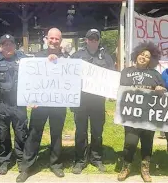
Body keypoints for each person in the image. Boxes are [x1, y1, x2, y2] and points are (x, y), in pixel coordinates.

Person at [16, 28, 68, 183]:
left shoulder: (67, 59)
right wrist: (31, 98)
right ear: (46, 39)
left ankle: (56, 164)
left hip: (59, 103)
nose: (53, 41)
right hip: (39, 104)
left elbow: (70, 81)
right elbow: (30, 80)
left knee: (57, 134)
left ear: (61, 40)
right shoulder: (37, 57)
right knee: (34, 133)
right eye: (51, 38)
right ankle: (26, 167)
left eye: (56, 39)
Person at [118, 41, 166, 182]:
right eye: (142, 54)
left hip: (148, 115)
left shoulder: (155, 74)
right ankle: (126, 166)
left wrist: (159, 90)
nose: (143, 57)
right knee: (130, 142)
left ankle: (145, 169)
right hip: (131, 115)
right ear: (136, 55)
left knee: (147, 142)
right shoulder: (126, 72)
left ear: (151, 60)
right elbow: (121, 91)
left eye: (147, 56)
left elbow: (163, 92)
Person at [70, 29, 115, 174]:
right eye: (91, 38)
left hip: (98, 102)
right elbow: (68, 75)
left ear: (99, 40)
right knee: (80, 132)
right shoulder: (77, 56)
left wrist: (113, 92)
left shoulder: (107, 58)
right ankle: (80, 160)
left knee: (97, 131)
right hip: (81, 101)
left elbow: (111, 77)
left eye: (96, 39)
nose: (93, 41)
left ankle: (96, 158)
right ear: (86, 40)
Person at [0, 34, 28, 175]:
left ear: (15, 45)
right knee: (2, 134)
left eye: (11, 44)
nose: (8, 47)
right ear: (0, 47)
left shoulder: (23, 59)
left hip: (19, 104)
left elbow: (40, 67)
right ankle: (4, 161)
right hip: (1, 103)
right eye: (5, 44)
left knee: (21, 133)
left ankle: (20, 160)